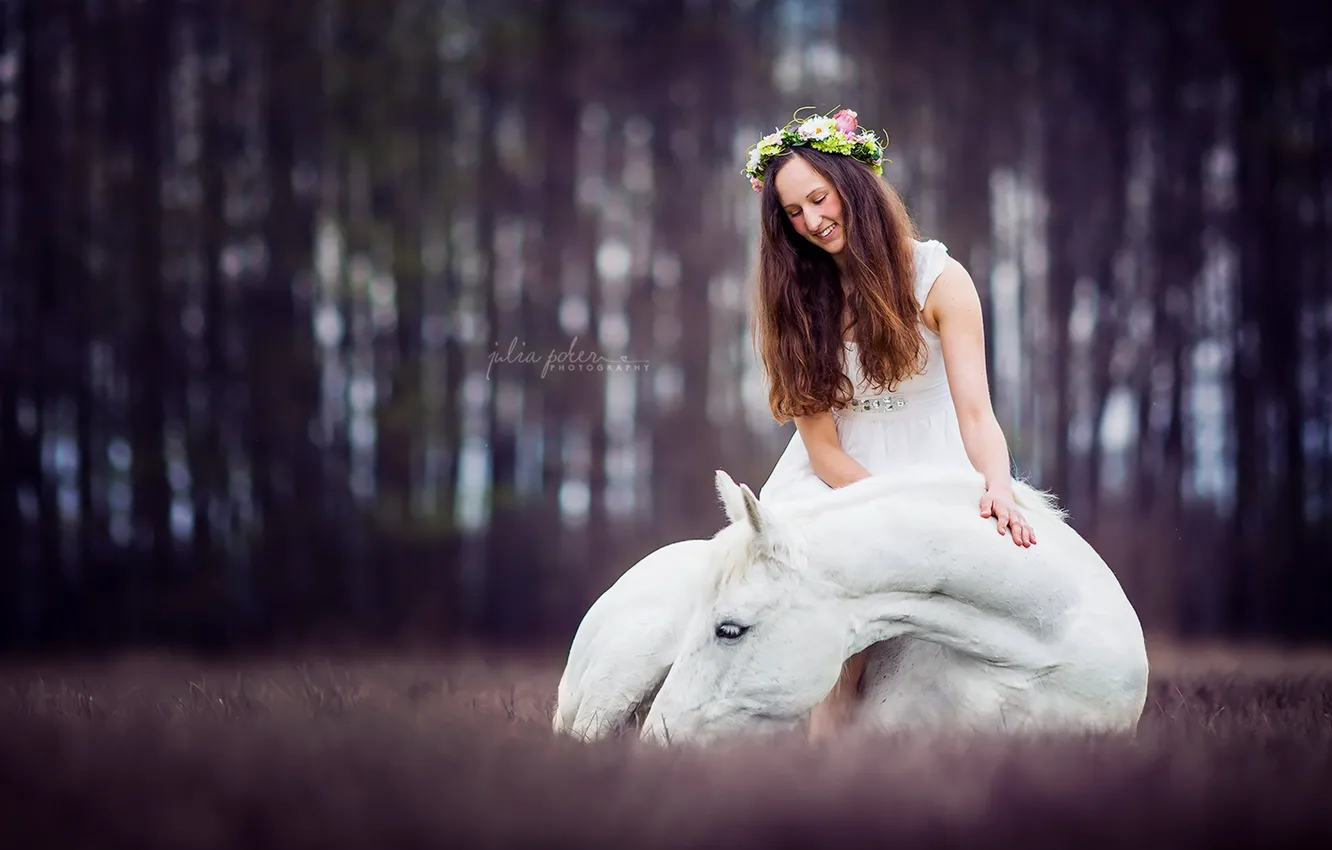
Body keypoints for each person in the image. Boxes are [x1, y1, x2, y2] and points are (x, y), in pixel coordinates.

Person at [742, 108, 1037, 742]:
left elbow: (978, 414)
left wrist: (997, 484)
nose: (812, 222)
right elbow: (821, 449)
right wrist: (884, 517)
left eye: (819, 199)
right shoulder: (793, 298)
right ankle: (824, 769)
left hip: (934, 470)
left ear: (855, 185)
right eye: (792, 214)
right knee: (843, 631)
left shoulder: (938, 278)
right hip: (838, 483)